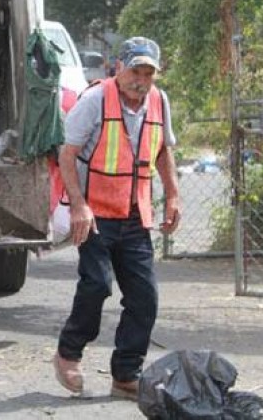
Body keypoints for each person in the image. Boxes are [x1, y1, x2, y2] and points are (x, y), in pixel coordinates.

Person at [52, 37, 181, 400]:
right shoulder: (95, 100)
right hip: (95, 212)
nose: (141, 80)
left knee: (145, 297)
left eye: (148, 73)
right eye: (135, 70)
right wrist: (78, 205)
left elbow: (163, 152)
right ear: (117, 68)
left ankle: (126, 374)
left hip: (136, 214)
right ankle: (68, 354)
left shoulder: (159, 101)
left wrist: (172, 195)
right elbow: (68, 155)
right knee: (97, 284)